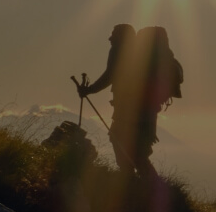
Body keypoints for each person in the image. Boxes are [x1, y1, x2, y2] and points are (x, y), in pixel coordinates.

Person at [78, 24, 183, 179]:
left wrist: (89, 90)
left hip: (128, 113)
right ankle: (140, 183)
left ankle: (135, 181)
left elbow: (110, 75)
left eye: (114, 34)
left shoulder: (119, 50)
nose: (110, 38)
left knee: (123, 145)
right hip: (148, 114)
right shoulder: (142, 55)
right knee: (138, 154)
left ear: (122, 36)